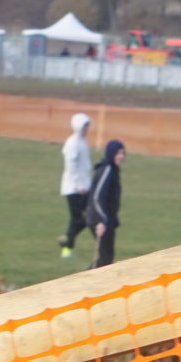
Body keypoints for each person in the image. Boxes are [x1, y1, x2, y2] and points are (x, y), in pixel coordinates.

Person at [58, 111, 95, 257]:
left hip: (84, 187)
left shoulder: (81, 141)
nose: (87, 128)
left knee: (85, 218)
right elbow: (71, 167)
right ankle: (67, 247)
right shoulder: (73, 143)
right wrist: (79, 186)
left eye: (87, 125)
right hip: (74, 189)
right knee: (81, 219)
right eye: (85, 126)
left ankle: (67, 243)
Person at [88, 138, 127, 268]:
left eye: (122, 153)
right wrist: (100, 221)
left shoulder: (113, 169)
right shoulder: (107, 170)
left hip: (107, 219)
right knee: (105, 258)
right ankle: (85, 278)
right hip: (100, 219)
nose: (121, 156)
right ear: (111, 153)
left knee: (107, 257)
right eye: (118, 153)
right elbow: (97, 197)